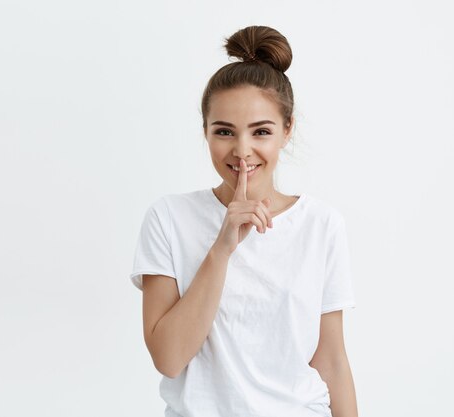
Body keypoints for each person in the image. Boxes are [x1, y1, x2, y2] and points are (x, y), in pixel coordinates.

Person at [129, 26, 358, 417]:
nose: (242, 150)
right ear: (205, 132)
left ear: (287, 131)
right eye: (224, 132)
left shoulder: (321, 225)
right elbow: (168, 358)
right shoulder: (168, 218)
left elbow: (331, 360)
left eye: (261, 132)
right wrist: (222, 248)